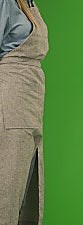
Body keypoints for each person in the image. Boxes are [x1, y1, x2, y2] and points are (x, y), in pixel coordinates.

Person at [0, 0, 48, 224]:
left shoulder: (27, 2)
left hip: (28, 103)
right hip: (11, 101)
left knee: (26, 194)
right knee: (7, 192)